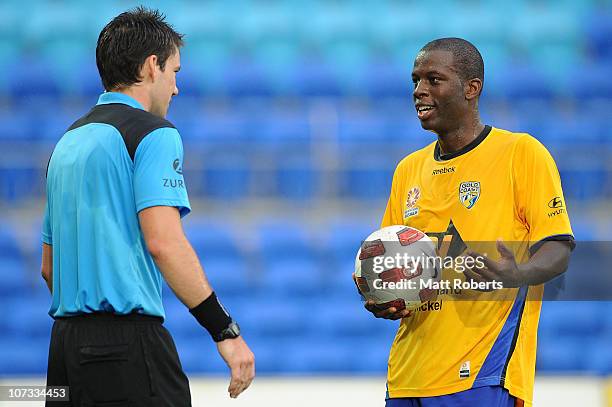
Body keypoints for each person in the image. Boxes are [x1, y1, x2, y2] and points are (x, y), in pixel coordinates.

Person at [41, 7, 254, 406]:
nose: (176, 88)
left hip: (63, 351)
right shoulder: (153, 134)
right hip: (126, 345)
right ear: (152, 66)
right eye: (176, 71)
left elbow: (48, 268)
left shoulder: (66, 142)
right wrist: (226, 331)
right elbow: (164, 244)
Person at [356, 38, 574, 407]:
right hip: (406, 378)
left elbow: (559, 246)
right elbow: (391, 263)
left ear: (472, 88)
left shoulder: (521, 154)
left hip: (482, 374)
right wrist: (384, 298)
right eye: (415, 80)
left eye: (433, 79)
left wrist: (518, 273)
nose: (419, 91)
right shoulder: (408, 170)